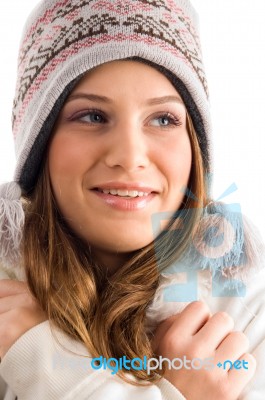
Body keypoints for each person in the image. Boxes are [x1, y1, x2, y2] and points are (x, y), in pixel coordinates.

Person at [0, 0, 264, 399]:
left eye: (163, 119)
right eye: (92, 116)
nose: (129, 156)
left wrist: (48, 363)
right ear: (40, 146)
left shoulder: (247, 305)